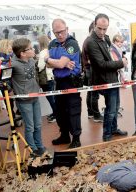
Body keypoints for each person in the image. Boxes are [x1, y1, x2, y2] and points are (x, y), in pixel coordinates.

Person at [86, 13, 128, 142]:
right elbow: (101, 64)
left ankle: (114, 129)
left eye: (105, 28)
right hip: (104, 81)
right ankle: (107, 134)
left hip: (112, 78)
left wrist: (119, 62)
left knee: (115, 107)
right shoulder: (90, 42)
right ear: (94, 25)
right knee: (110, 109)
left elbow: (112, 56)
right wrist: (121, 63)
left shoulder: (107, 38)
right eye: (100, 28)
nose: (102, 32)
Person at [46, 18, 82, 149]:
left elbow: (58, 64)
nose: (60, 35)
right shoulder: (52, 44)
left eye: (62, 31)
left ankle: (76, 138)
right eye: (56, 32)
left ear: (67, 29)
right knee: (60, 111)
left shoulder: (72, 43)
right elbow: (48, 66)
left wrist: (48, 59)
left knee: (73, 110)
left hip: (71, 81)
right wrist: (57, 63)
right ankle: (65, 135)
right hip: (59, 81)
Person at [11, 38, 46, 156]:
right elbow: (4, 78)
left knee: (38, 124)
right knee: (30, 126)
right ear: (22, 53)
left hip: (35, 97)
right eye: (30, 48)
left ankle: (39, 145)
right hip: (24, 101)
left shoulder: (31, 60)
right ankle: (32, 149)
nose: (33, 49)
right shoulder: (13, 65)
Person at [82, 21, 103, 123]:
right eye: (98, 29)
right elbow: (92, 59)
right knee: (94, 93)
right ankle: (96, 115)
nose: (100, 32)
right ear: (93, 29)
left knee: (91, 93)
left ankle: (91, 113)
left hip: (88, 69)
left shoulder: (87, 41)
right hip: (91, 69)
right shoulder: (89, 42)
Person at [37, 35, 56, 123]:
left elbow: (40, 66)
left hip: (46, 78)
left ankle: (56, 114)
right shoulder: (50, 51)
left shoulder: (42, 53)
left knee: (51, 98)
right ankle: (55, 113)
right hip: (52, 76)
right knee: (53, 97)